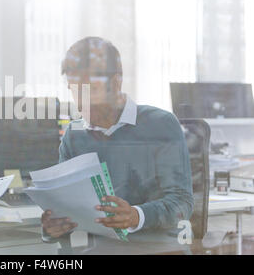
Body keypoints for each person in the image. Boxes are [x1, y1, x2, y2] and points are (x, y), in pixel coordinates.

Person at [41, 37, 194, 254]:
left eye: (91, 89)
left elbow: (181, 203)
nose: (81, 101)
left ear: (116, 83)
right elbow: (66, 209)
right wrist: (54, 227)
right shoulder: (74, 136)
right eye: (75, 90)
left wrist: (136, 216)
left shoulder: (161, 124)